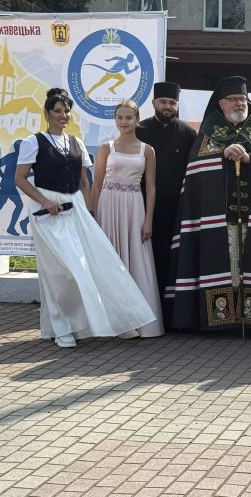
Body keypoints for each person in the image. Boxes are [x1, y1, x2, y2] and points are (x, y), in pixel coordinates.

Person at [14, 88, 156, 347]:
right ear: (47, 113)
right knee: (63, 271)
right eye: (58, 111)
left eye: (66, 111)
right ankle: (62, 327)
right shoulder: (33, 142)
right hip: (47, 211)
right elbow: (20, 179)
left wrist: (91, 212)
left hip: (76, 207)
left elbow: (84, 182)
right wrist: (45, 202)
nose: (63, 115)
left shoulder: (76, 143)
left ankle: (117, 320)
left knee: (101, 264)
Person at [166, 76, 251, 333]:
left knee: (250, 262)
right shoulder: (209, 131)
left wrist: (250, 160)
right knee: (222, 260)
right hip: (218, 217)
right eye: (233, 99)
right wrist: (222, 156)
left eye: (243, 99)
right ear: (221, 103)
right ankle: (221, 319)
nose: (239, 103)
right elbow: (195, 169)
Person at [91, 100, 164, 338]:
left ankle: (139, 321)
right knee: (109, 260)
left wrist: (148, 220)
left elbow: (151, 187)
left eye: (129, 117)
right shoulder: (106, 147)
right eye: (120, 117)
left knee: (136, 260)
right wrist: (93, 215)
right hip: (108, 206)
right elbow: (96, 184)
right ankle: (112, 322)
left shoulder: (147, 150)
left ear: (137, 120)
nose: (124, 122)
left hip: (134, 207)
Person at [136, 81, 196, 316]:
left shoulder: (188, 133)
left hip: (176, 208)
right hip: (144, 206)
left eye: (172, 103)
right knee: (147, 257)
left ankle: (171, 311)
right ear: (153, 103)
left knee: (173, 258)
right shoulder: (140, 130)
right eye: (163, 102)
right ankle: (147, 309)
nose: (168, 107)